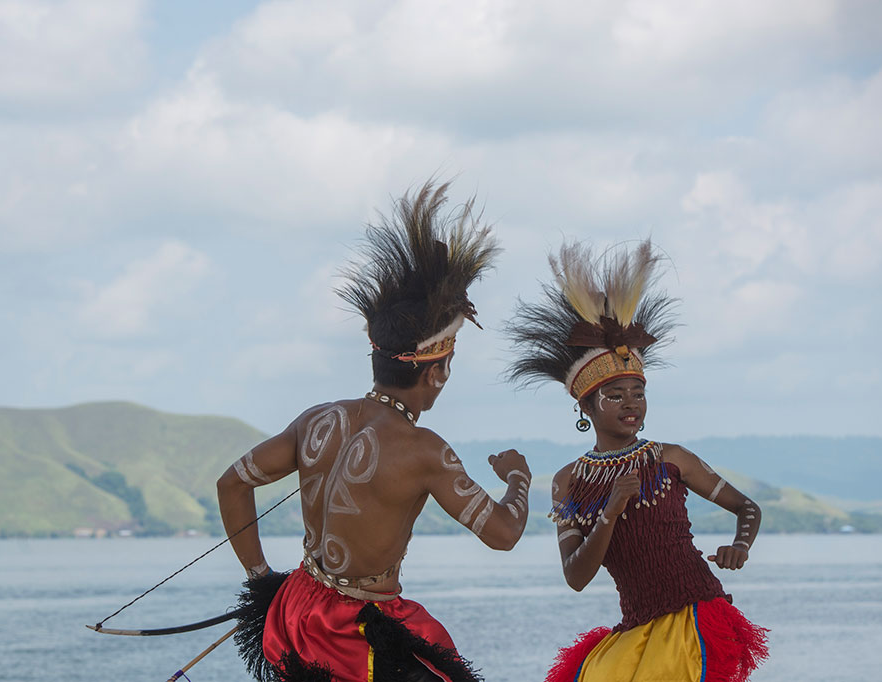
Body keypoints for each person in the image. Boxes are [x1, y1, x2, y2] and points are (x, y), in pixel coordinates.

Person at [217, 181, 532, 682]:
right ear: (436, 371)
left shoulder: (316, 419)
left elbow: (231, 483)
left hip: (295, 609)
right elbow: (504, 534)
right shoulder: (424, 451)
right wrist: (518, 479)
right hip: (352, 636)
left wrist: (262, 581)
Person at [505, 240, 769, 682]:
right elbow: (575, 576)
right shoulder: (568, 481)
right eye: (615, 396)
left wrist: (739, 546)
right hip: (636, 633)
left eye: (639, 393)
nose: (632, 405)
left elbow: (748, 508)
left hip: (696, 621)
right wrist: (609, 511)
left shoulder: (672, 460)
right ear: (585, 407)